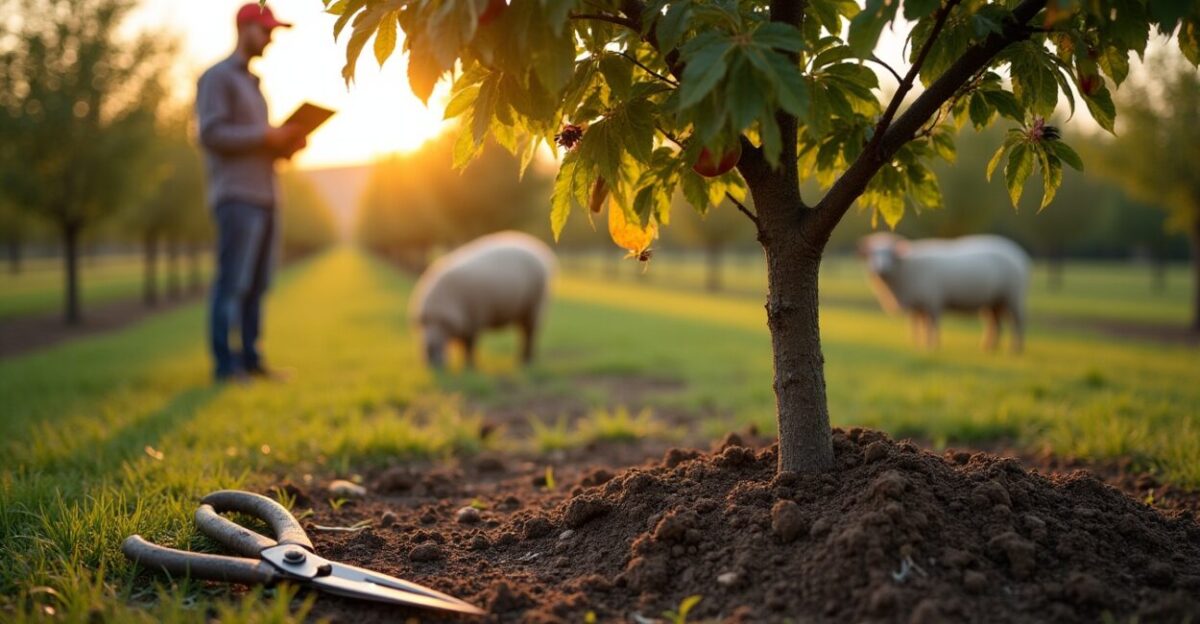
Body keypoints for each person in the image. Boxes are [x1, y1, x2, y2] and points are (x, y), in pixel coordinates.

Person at [195, 3, 304, 383]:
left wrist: (284, 145)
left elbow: (260, 144)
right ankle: (225, 366)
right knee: (232, 283)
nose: (271, 39)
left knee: (257, 285)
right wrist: (265, 136)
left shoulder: (254, 84)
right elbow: (210, 134)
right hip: (237, 197)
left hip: (267, 195)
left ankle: (251, 359)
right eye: (266, 31)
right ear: (245, 29)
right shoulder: (218, 78)